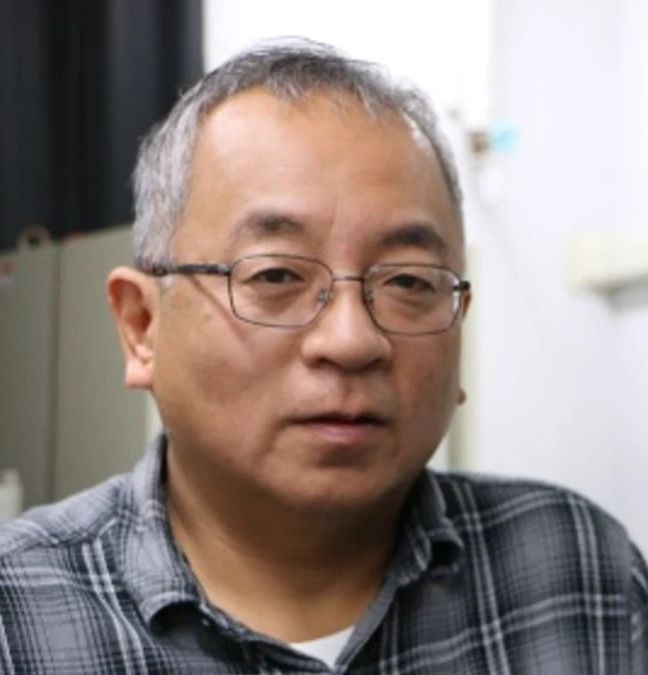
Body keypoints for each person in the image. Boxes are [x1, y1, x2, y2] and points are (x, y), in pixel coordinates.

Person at [0, 39, 646, 674]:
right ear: (142, 327)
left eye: (408, 281)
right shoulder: (18, 613)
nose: (351, 341)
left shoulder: (579, 572)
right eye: (276, 275)